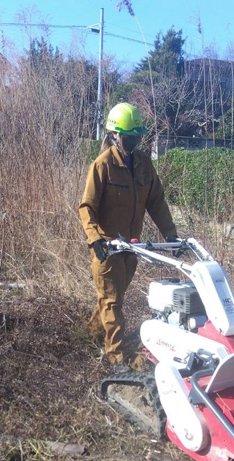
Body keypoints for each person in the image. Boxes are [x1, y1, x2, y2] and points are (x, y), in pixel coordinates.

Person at [79, 102, 178, 373]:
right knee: (112, 300)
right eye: (129, 136)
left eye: (137, 136)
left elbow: (156, 201)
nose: (134, 141)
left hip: (130, 247)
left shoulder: (144, 164)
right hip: (107, 248)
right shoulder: (103, 165)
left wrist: (170, 233)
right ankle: (116, 356)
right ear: (114, 135)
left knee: (113, 296)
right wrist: (95, 238)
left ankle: (90, 335)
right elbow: (87, 207)